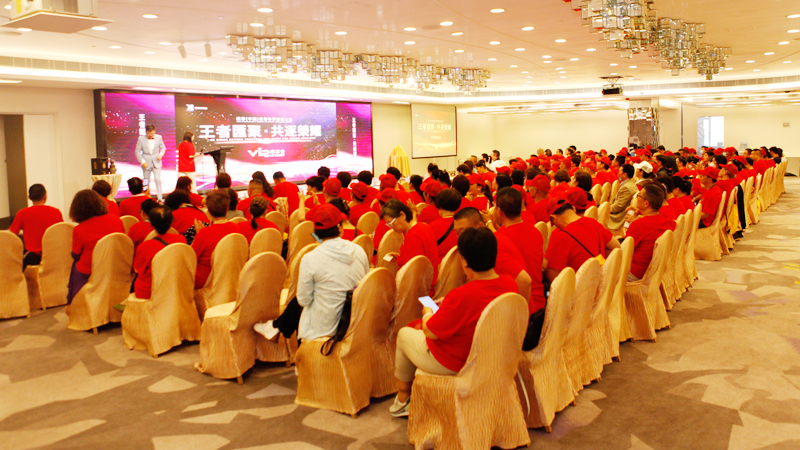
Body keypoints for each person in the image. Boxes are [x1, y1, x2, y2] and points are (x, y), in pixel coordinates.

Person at [390, 227, 517, 417]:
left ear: (464, 260)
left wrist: (427, 312)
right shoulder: (509, 284)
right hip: (492, 354)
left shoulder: (463, 296)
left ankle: (403, 398)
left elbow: (430, 331)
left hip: (457, 362)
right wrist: (449, 302)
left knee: (404, 334)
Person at [254, 203, 369, 342]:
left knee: (302, 300)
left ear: (315, 232)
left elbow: (303, 300)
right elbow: (364, 286)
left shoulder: (310, 258)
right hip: (356, 319)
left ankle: (277, 329)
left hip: (324, 327)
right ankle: (275, 327)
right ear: (339, 227)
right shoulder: (359, 251)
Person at [453, 207, 531, 300]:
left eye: (463, 232)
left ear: (480, 226)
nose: (460, 238)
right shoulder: (488, 241)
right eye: (457, 233)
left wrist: (517, 308)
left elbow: (524, 281)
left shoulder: (491, 247)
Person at [492, 187, 546, 313]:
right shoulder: (535, 232)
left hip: (521, 307)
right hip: (539, 299)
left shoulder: (498, 239)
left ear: (499, 211)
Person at [544, 196, 620, 282]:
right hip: (602, 282)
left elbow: (553, 276)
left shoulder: (561, 236)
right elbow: (616, 246)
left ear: (554, 217)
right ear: (573, 209)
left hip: (578, 287)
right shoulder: (594, 222)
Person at [67, 190, 125, 303]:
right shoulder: (116, 220)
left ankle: (75, 300)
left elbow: (76, 254)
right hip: (115, 265)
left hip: (92, 270)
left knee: (75, 264)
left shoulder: (79, 230)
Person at [381, 199, 440, 291]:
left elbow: (412, 274)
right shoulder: (423, 226)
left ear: (402, 215)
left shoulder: (413, 236)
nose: (391, 228)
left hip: (421, 290)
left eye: (391, 223)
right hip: (431, 283)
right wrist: (400, 258)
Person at [625, 183, 676, 281]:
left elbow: (625, 251)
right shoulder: (667, 221)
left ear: (646, 203)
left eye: (639, 195)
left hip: (634, 272)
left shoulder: (638, 225)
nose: (637, 197)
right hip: (652, 270)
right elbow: (676, 223)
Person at [132, 206, 186, 299]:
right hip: (174, 286)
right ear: (171, 222)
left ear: (151, 223)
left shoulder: (144, 246)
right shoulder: (181, 240)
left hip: (149, 291)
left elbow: (137, 270)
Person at [191, 190, 241, 289]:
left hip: (209, 280)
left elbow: (191, 257)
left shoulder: (205, 233)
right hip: (232, 274)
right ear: (227, 209)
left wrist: (199, 235)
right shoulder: (236, 228)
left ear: (208, 211)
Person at [9, 184, 63, 269]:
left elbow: (11, 235)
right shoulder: (56, 212)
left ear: (29, 197)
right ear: (45, 196)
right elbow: (62, 232)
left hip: (32, 259)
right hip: (52, 257)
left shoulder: (22, 213)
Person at [134, 124, 167, 201]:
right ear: (146, 132)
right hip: (146, 162)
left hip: (156, 162)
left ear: (154, 131)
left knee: (157, 179)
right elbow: (137, 151)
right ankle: (146, 198)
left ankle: (160, 198)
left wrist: (161, 154)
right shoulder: (141, 139)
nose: (150, 135)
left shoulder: (159, 137)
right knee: (146, 181)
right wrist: (142, 161)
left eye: (152, 133)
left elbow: (163, 147)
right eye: (149, 133)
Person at [428, 188, 462, 260]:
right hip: (459, 264)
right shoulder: (463, 224)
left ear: (439, 205)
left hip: (439, 265)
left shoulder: (432, 227)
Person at [608, 164, 637, 233]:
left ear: (624, 174)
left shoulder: (626, 187)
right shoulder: (630, 184)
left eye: (620, 171)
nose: (618, 173)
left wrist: (606, 208)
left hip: (619, 217)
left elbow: (618, 206)